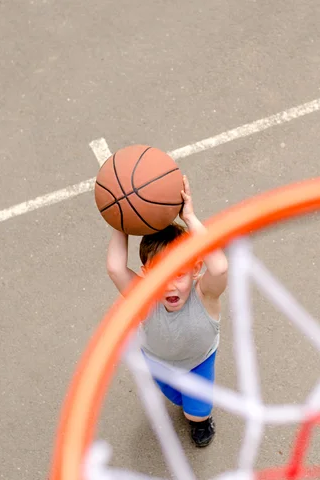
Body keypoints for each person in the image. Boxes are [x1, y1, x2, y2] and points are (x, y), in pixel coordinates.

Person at [106, 176, 228, 447]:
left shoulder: (204, 295)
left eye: (179, 273)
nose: (170, 284)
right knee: (175, 399)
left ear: (195, 269)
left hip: (199, 362)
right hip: (159, 363)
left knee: (195, 414)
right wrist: (122, 223)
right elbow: (116, 268)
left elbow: (219, 267)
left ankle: (202, 420)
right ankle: (189, 405)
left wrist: (191, 218)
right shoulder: (146, 298)